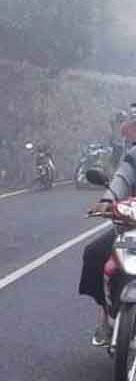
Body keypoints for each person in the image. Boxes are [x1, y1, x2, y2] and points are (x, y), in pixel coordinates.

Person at [80, 145, 136, 346]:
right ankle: (105, 316)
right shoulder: (134, 154)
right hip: (132, 226)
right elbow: (122, 178)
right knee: (94, 253)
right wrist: (107, 200)